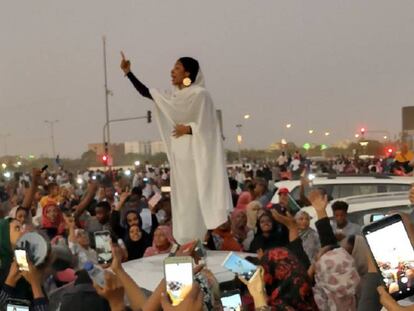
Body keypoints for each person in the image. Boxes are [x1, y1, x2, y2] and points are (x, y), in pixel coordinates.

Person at [121, 52, 231, 244]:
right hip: (179, 158)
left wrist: (189, 128)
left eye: (177, 68)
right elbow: (149, 93)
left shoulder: (201, 95)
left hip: (195, 157)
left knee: (195, 199)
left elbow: (211, 128)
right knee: (182, 201)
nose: (172, 71)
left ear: (188, 73)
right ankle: (185, 241)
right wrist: (129, 73)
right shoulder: (174, 97)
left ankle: (199, 239)